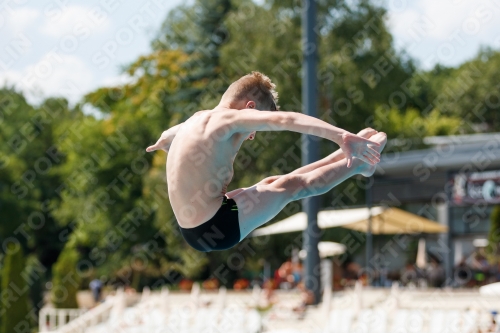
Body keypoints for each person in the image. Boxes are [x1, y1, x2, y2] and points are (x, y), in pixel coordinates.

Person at [146, 71, 386, 252]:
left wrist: (165, 141)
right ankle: (359, 165)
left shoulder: (196, 119)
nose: (252, 135)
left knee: (273, 182)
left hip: (198, 227)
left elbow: (170, 133)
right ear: (249, 109)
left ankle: (339, 158)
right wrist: (340, 135)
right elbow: (286, 120)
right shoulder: (228, 120)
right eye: (254, 127)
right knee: (292, 187)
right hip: (216, 227)